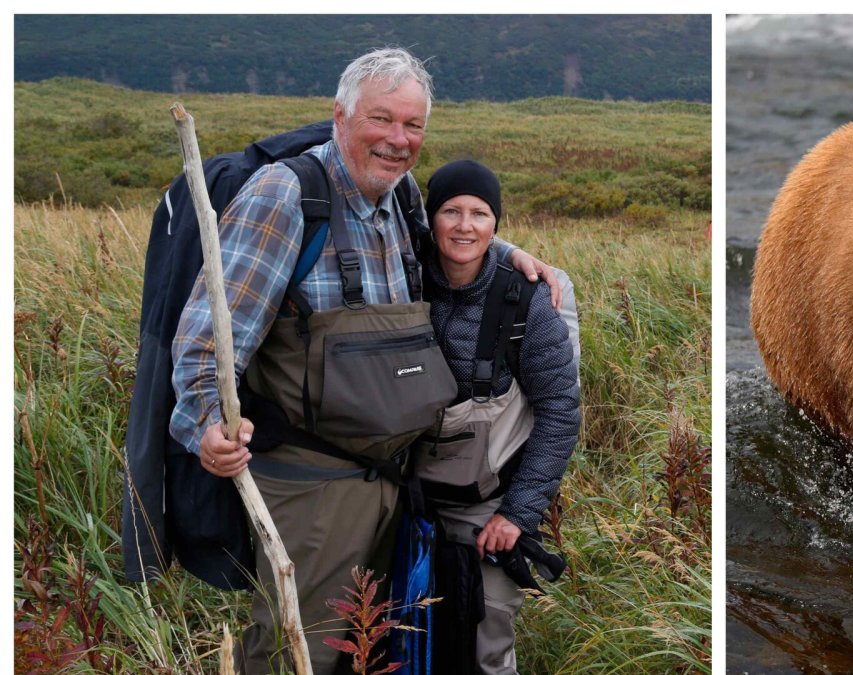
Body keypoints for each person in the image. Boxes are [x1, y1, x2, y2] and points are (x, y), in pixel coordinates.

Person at [169, 48, 560, 674]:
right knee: (301, 647)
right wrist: (207, 423)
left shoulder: (402, 198)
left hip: (395, 483)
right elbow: (207, 337)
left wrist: (503, 249)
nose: (398, 140)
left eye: (413, 126)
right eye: (382, 120)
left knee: (372, 647)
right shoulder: (287, 196)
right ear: (341, 116)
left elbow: (456, 236)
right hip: (311, 486)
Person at [418, 159, 580, 674]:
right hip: (405, 499)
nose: (465, 226)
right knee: (403, 640)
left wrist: (518, 514)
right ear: (430, 219)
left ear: (495, 224)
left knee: (486, 644)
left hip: (489, 505)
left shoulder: (529, 301)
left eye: (480, 214)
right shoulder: (401, 279)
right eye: (451, 211)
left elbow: (560, 413)